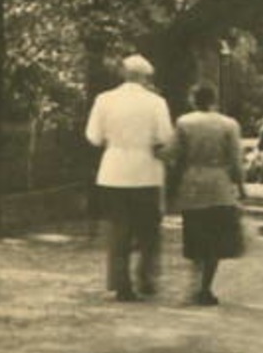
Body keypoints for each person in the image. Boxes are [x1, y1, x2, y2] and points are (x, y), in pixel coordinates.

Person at [85, 54, 174, 301]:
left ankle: (121, 284)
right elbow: (165, 137)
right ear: (146, 77)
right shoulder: (156, 102)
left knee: (118, 228)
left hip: (113, 170)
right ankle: (145, 278)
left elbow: (93, 137)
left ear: (123, 74)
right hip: (146, 170)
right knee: (148, 229)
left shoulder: (104, 100)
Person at [167, 84, 247, 306]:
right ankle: (205, 288)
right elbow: (235, 160)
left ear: (193, 100)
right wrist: (241, 187)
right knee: (215, 238)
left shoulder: (184, 122)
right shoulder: (229, 124)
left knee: (195, 234)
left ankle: (194, 281)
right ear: (214, 100)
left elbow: (172, 153)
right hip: (219, 183)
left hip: (192, 184)